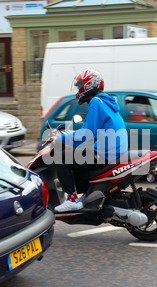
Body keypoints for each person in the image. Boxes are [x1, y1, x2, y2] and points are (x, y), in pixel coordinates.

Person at [47, 69, 128, 212]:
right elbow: (91, 131)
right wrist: (71, 134)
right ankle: (85, 194)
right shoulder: (105, 102)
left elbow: (86, 135)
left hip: (106, 153)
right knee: (75, 154)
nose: (79, 90)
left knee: (62, 156)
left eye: (80, 86)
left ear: (89, 85)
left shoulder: (96, 102)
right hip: (113, 150)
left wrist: (60, 139)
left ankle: (72, 199)